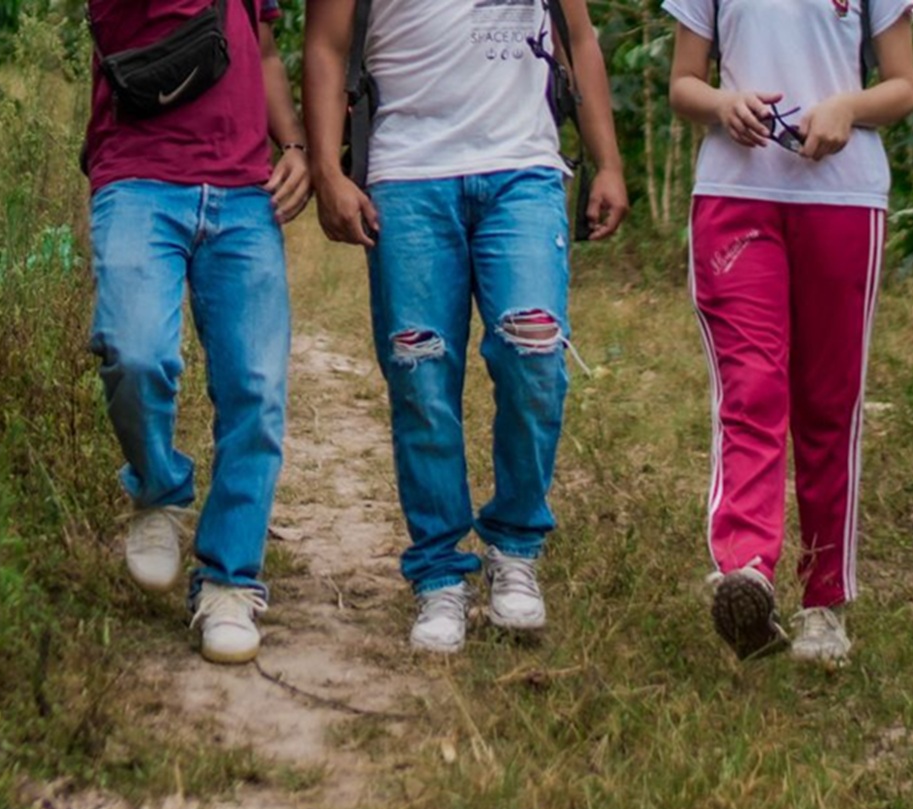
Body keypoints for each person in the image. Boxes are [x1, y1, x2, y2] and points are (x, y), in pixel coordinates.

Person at [303, 0, 629, 654]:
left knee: (534, 353)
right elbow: (326, 45)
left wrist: (609, 163)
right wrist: (328, 171)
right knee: (420, 375)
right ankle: (439, 572)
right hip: (409, 173)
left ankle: (515, 547)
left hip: (523, 170)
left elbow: (579, 37)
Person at [664, 0, 913, 666]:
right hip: (734, 195)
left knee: (828, 406)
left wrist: (847, 109)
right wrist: (723, 104)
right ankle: (745, 570)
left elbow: (902, 87)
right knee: (750, 386)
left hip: (843, 198)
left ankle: (824, 604)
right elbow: (683, 82)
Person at [84, 0, 310, 664]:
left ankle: (230, 582)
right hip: (137, 178)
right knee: (135, 352)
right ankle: (157, 489)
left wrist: (292, 142)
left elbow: (264, 48)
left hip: (243, 189)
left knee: (256, 389)